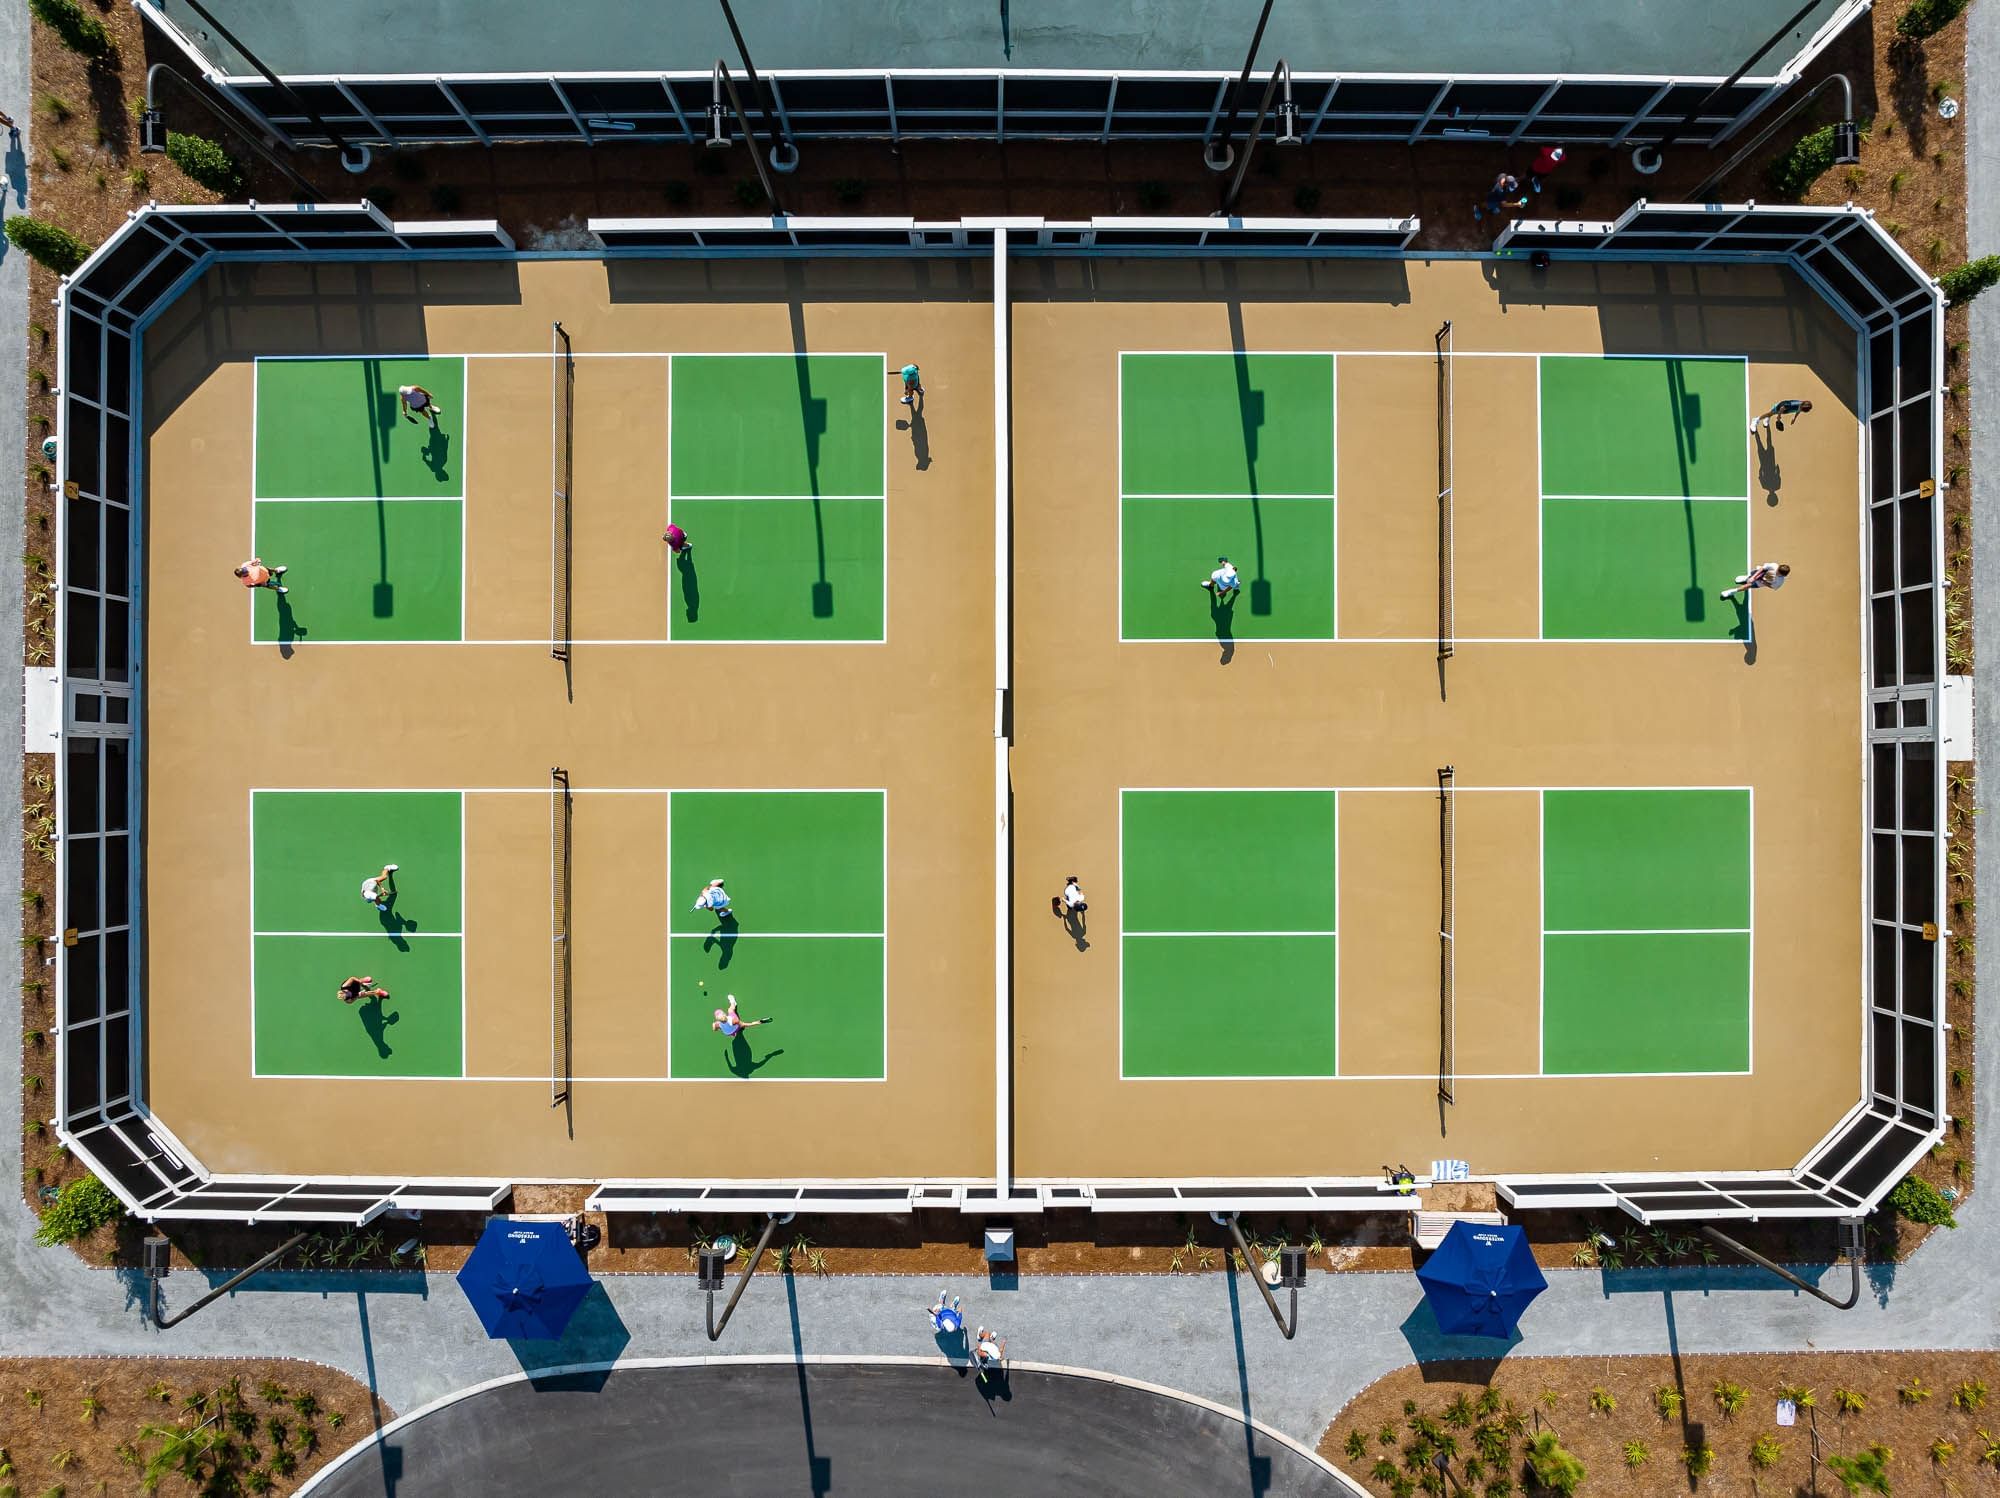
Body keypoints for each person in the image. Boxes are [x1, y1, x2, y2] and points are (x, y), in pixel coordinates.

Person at [1720, 562, 1790, 601]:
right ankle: (1746, 578)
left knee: (1748, 585)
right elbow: (1763, 568)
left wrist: (1764, 582)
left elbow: (1772, 587)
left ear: (1783, 575)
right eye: (1777, 570)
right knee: (1750, 577)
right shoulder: (1774, 565)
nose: (1776, 572)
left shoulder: (1780, 581)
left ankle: (1732, 592)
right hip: (1760, 573)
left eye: (1778, 573)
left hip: (1761, 582)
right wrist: (1754, 577)